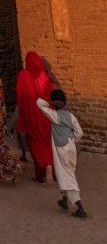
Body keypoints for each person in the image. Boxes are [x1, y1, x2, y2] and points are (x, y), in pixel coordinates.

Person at [37, 90, 87, 218]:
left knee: (67, 176)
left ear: (55, 102)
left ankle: (81, 209)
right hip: (71, 147)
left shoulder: (55, 115)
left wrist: (51, 103)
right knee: (68, 172)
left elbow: (39, 103)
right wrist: (71, 140)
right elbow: (79, 133)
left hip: (62, 149)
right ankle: (64, 202)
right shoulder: (70, 116)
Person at [16, 52, 54, 184]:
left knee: (35, 144)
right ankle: (43, 173)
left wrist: (23, 116)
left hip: (32, 116)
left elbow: (20, 96)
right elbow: (50, 95)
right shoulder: (43, 75)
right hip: (46, 114)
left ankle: (46, 166)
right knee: (46, 143)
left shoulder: (23, 75)